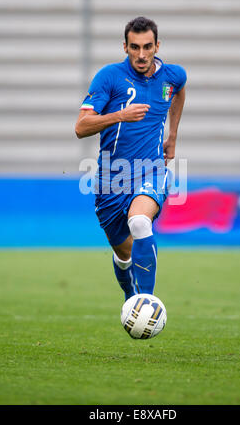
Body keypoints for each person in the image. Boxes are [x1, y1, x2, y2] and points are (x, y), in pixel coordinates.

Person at [75, 16, 186, 301]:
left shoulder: (172, 75)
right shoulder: (109, 77)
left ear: (157, 45)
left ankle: (146, 303)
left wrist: (172, 136)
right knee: (123, 256)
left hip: (151, 170)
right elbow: (81, 127)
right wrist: (120, 115)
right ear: (125, 47)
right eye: (134, 47)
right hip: (112, 180)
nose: (141, 54)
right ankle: (130, 294)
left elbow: (179, 90)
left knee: (140, 223)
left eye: (147, 46)